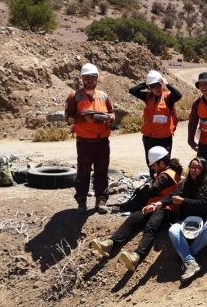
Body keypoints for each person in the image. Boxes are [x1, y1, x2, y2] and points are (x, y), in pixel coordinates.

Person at [90, 147, 183, 272]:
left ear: (161, 163)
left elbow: (152, 191)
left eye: (153, 165)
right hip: (153, 206)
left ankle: (137, 257)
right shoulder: (164, 173)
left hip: (167, 209)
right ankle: (110, 243)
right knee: (133, 218)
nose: (152, 168)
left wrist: (147, 188)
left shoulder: (167, 176)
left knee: (151, 227)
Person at [65, 63, 115, 214]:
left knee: (102, 171)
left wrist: (110, 118)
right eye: (87, 78)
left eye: (93, 78)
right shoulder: (75, 96)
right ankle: (81, 201)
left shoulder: (103, 95)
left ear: (97, 79)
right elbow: (68, 117)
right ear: (82, 79)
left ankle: (101, 200)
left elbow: (112, 112)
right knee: (83, 172)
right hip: (84, 141)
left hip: (102, 141)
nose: (90, 81)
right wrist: (83, 119)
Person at [166, 157, 207, 282]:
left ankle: (189, 256)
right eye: (191, 167)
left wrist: (184, 201)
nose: (193, 170)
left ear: (204, 169)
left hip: (204, 220)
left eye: (197, 167)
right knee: (173, 230)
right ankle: (191, 262)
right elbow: (173, 197)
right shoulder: (185, 183)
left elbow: (205, 204)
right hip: (186, 221)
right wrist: (158, 204)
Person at [128, 70, 182, 173]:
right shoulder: (148, 96)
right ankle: (154, 183)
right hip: (149, 138)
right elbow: (132, 90)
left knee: (164, 163)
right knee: (151, 164)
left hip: (165, 138)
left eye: (158, 85)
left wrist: (166, 84)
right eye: (153, 86)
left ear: (161, 85)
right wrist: (147, 83)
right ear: (150, 88)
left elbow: (178, 95)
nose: (156, 88)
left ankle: (165, 184)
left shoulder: (168, 97)